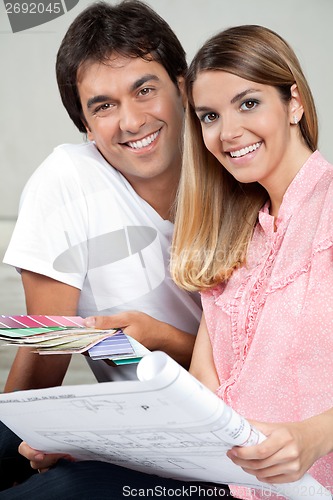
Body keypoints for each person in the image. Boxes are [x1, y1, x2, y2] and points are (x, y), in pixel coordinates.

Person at [0, 0, 208, 496]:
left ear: (181, 87)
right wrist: (40, 435)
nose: (132, 121)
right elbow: (47, 353)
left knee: (57, 491)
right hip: (124, 426)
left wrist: (159, 337)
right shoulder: (69, 180)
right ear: (86, 127)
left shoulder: (236, 167)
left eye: (144, 90)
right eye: (103, 106)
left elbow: (265, 373)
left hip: (214, 439)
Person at [171, 24, 333, 499]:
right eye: (208, 116)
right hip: (229, 489)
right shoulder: (232, 237)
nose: (228, 132)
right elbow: (204, 389)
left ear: (295, 102)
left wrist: (314, 435)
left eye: (248, 103)